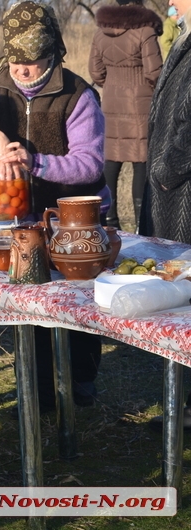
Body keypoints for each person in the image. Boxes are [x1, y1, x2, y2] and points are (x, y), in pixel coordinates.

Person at [0, 1, 106, 410]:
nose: (22, 70)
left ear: (51, 55)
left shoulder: (78, 95)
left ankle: (80, 386)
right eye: (16, 60)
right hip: (23, 220)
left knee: (76, 307)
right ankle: (36, 389)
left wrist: (36, 162)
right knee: (27, 303)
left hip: (75, 218)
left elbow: (90, 163)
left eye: (31, 62)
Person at [142, 0, 191, 430]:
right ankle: (182, 405)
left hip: (182, 191)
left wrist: (163, 172)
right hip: (171, 189)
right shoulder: (184, 36)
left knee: (185, 291)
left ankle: (186, 410)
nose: (172, 3)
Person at [89, 0, 162, 231]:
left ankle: (110, 224)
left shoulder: (101, 33)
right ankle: (142, 225)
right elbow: (155, 72)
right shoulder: (146, 31)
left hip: (110, 101)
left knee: (110, 161)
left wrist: (112, 83)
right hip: (142, 105)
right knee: (141, 163)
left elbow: (95, 71)